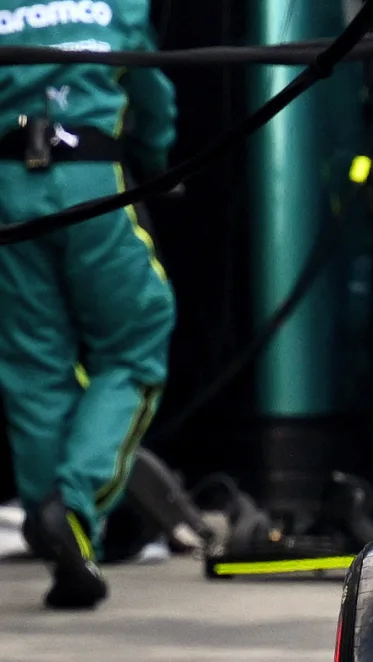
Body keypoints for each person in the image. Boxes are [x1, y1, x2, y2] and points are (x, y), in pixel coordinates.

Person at [0, 0, 176, 609]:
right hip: (92, 179)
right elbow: (152, 96)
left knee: (33, 367)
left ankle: (58, 536)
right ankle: (74, 506)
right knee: (137, 340)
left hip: (7, 188)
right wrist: (157, 160)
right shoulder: (117, 3)